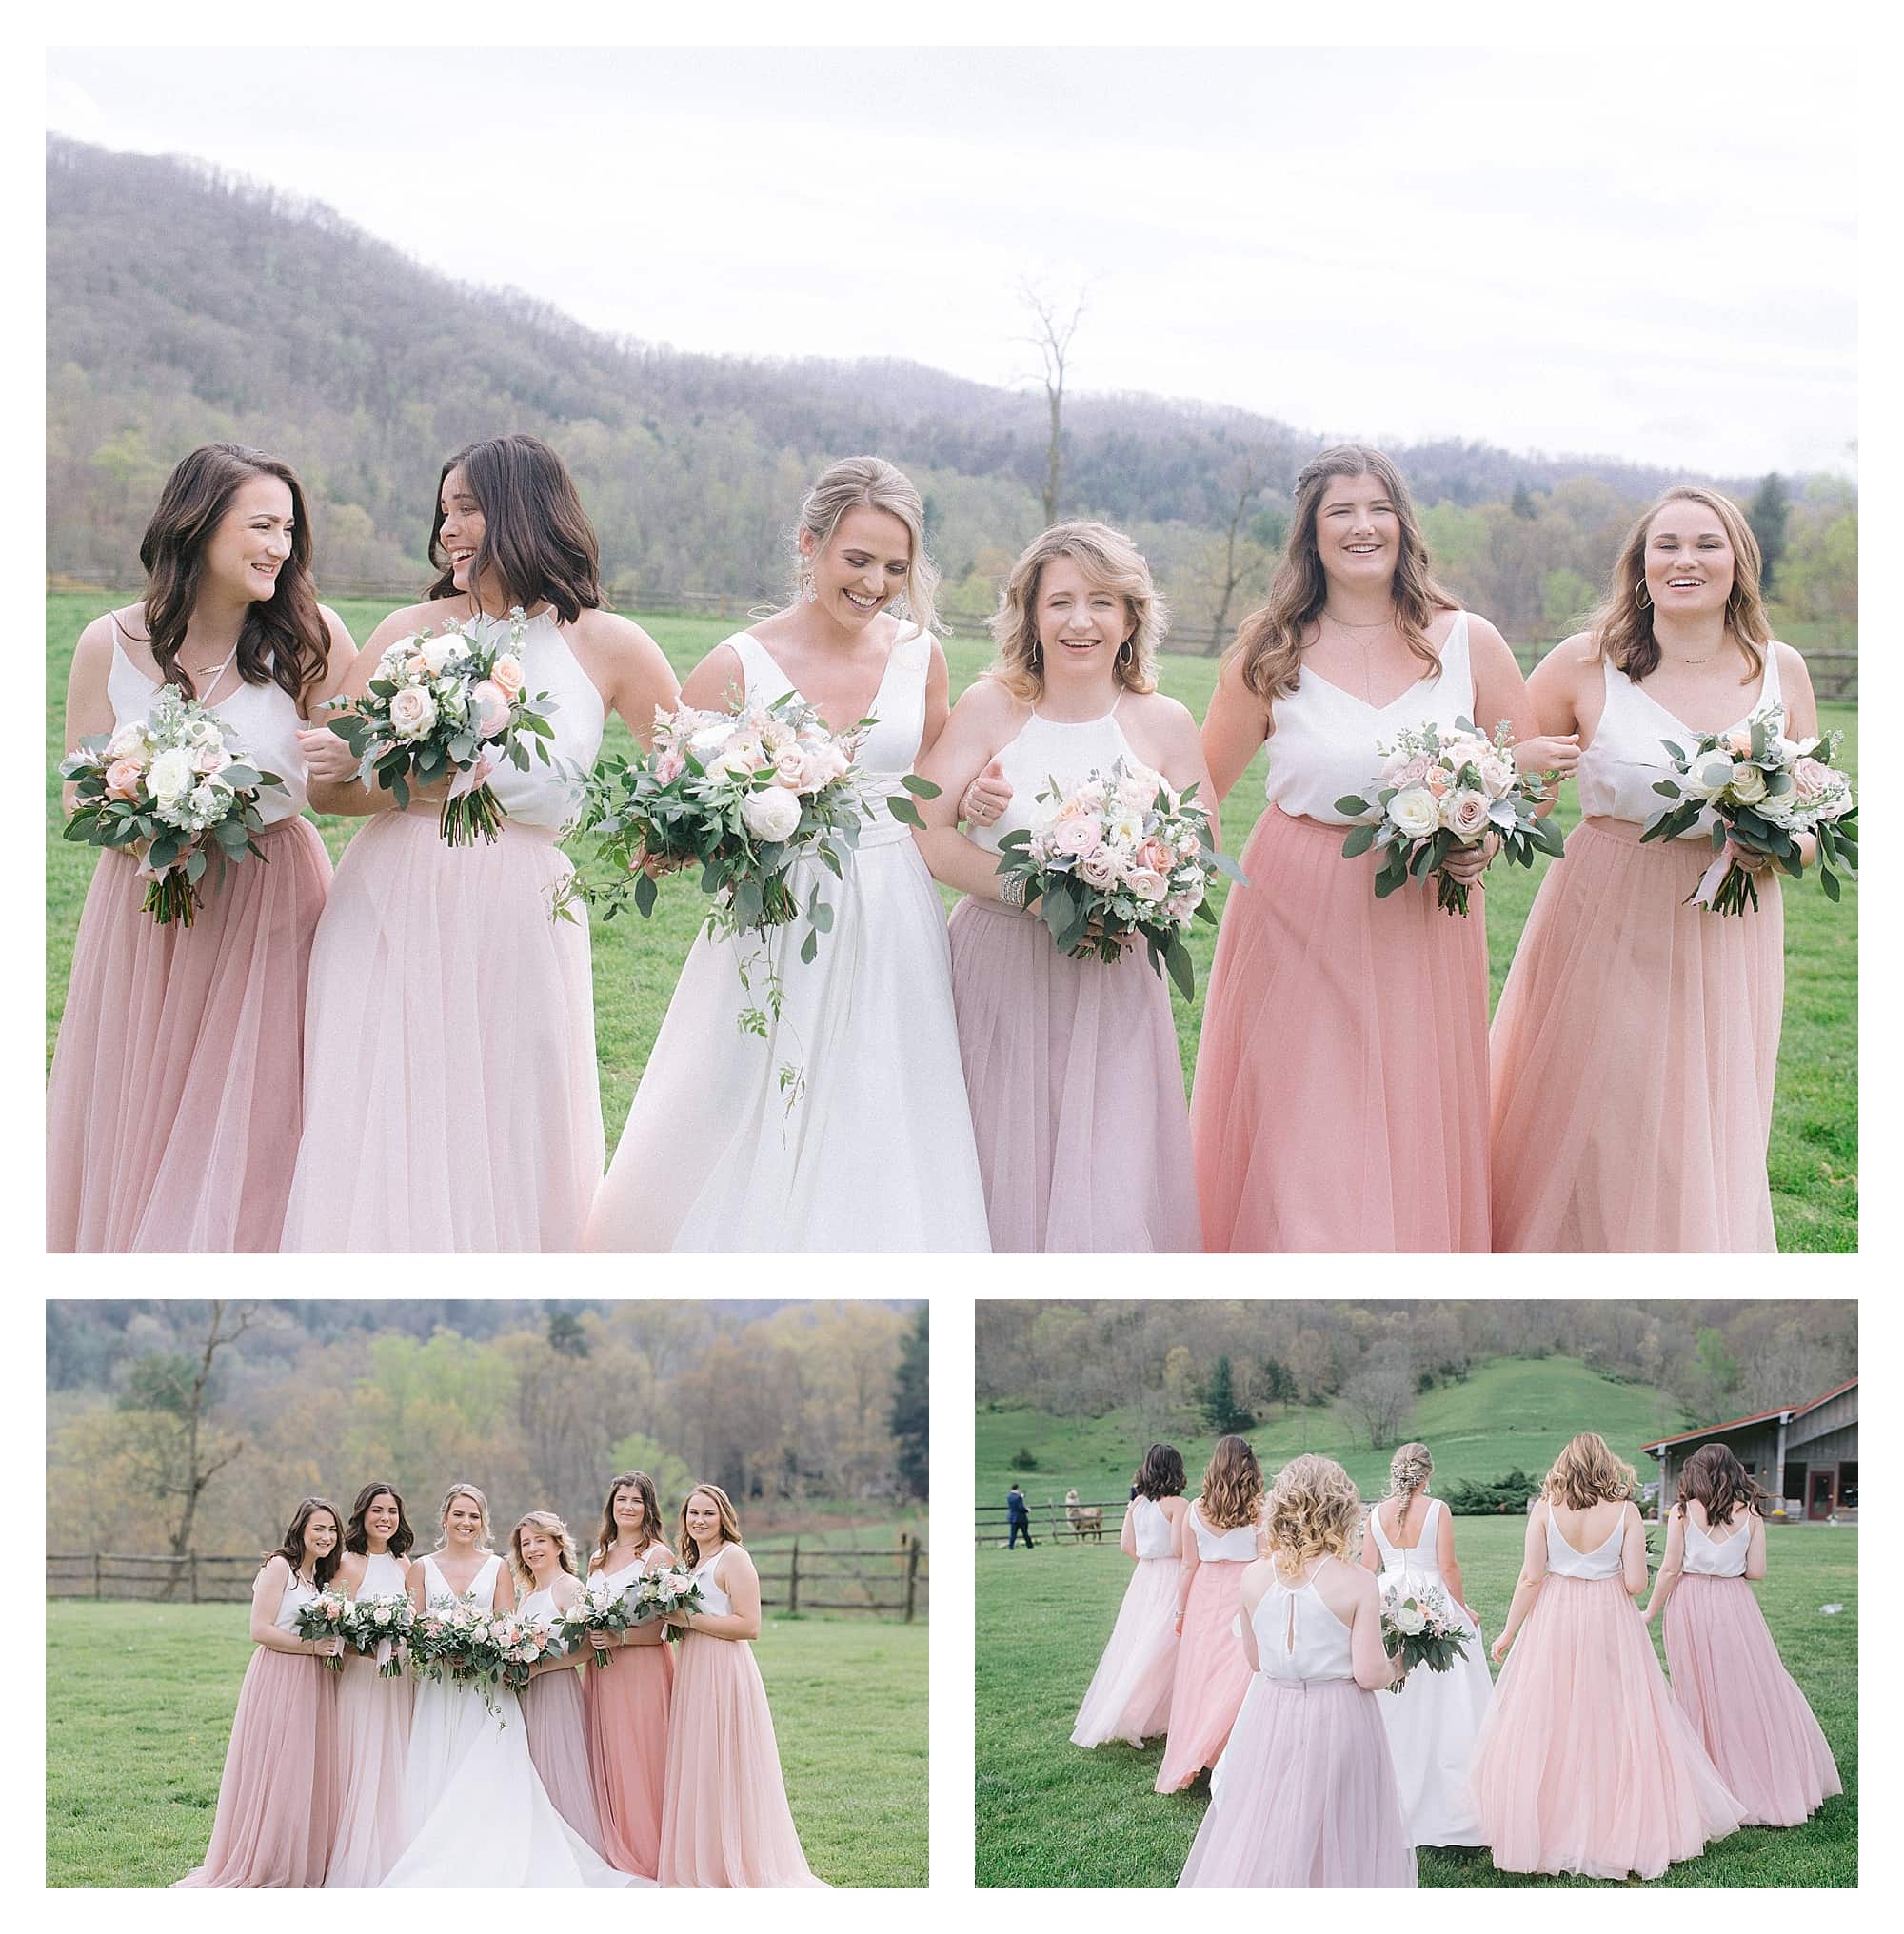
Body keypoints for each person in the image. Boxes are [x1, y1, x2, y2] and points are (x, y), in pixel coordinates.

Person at [585, 455, 991, 1252]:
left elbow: (932, 790)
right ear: (809, 545)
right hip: (778, 909)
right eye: (858, 559)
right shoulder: (738, 665)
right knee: (744, 1083)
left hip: (895, 910)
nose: (876, 583)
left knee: (881, 1090)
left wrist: (975, 801)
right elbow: (669, 802)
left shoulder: (922, 656)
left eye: (896, 567)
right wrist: (692, 834)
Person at [287, 433, 679, 1251]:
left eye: (467, 508)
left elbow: (682, 770)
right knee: (387, 1108)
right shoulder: (407, 628)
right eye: (445, 512)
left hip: (522, 907)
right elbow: (334, 791)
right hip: (393, 894)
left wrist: (664, 836)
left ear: (524, 512)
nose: (449, 530)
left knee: (511, 1110)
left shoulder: (609, 645)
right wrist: (389, 773)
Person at [1190, 444, 1575, 1251]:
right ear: (1311, 535)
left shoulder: (1469, 640)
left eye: (1378, 508)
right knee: (1307, 1107)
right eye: (1341, 511)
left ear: (1403, 524)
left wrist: (1481, 844)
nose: (1363, 526)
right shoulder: (1270, 647)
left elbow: (1528, 773)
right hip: (1295, 902)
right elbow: (1197, 792)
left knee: (1406, 1101)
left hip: (1422, 907)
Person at [1490, 486, 1819, 1251]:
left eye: (1707, 543)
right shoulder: (1586, 662)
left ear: (1739, 562)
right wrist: (1509, 780)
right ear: (1639, 566)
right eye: (1665, 545)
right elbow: (1513, 790)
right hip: (1607, 911)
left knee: (1700, 1115)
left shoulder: (1782, 671)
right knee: (1605, 1108)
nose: (1685, 560)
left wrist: (1779, 846)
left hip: (1732, 923)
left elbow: (1815, 817)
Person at [50, 444, 356, 1251]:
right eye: (261, 526)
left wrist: (351, 763)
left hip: (268, 898)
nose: (280, 548)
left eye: (289, 530)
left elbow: (344, 784)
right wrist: (147, 800)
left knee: (254, 1109)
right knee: (137, 1097)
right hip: (145, 901)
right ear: (199, 526)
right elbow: (78, 793)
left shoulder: (313, 639)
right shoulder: (105, 642)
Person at [914, 522, 1206, 1251]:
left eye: (1103, 602)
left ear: (1132, 617)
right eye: (1062, 602)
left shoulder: (1165, 722)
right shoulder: (991, 707)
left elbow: (1199, 849)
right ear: (1031, 615)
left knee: (1108, 1173)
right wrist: (1037, 897)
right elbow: (929, 835)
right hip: (1000, 970)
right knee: (992, 1159)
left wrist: (1145, 884)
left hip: (1114, 979)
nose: (1081, 621)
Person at [1471, 1433, 1744, 1880]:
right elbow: (1636, 1583)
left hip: (1554, 1617)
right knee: (1617, 1714)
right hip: (1607, 1616)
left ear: (1565, 1465)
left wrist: (1507, 1633)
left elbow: (1530, 1577)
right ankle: (1611, 1817)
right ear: (1606, 1467)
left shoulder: (1543, 1510)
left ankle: (1550, 1821)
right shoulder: (1626, 1512)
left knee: (1550, 1714)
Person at [383, 1483, 638, 1887]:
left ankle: (492, 1850)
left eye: (474, 1516)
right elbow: (411, 1630)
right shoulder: (421, 1568)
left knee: (492, 1766)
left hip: (488, 1688)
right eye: (459, 1514)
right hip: (440, 1684)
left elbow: (506, 1629)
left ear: (483, 1522)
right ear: (444, 1518)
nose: (466, 1522)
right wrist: (436, 1647)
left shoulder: (497, 1567)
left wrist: (483, 1648)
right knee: (439, 1762)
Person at [1179, 1455, 1413, 1887]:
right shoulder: (1357, 1580)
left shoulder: (1251, 1578)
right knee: (1341, 1823)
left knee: (1272, 1818)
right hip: (1340, 1716)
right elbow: (1368, 1673)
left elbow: (1254, 1662)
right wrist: (1400, 1664)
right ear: (1340, 1511)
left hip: (1270, 1713)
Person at [1644, 1443, 1841, 1825]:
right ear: (1734, 1472)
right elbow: (1757, 1572)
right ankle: (1755, 1776)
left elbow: (1669, 1569)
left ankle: (1710, 1780)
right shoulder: (1750, 1514)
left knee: (1696, 1688)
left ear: (1696, 1472)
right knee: (1747, 1687)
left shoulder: (1683, 1512)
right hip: (1736, 1604)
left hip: (1690, 1602)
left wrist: (1650, 1612)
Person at [657, 1485, 826, 1885]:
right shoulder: (693, 1562)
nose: (699, 1520)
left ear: (724, 1518)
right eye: (692, 1513)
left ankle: (738, 1857)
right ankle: (706, 1857)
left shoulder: (735, 1558)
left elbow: (749, 1625)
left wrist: (688, 1620)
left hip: (724, 1669)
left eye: (708, 1514)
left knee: (725, 1762)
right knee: (701, 1763)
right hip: (694, 1666)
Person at [176, 1496, 346, 1886]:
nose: (326, 1536)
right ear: (300, 1529)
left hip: (314, 1681)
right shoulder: (280, 1567)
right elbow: (260, 1629)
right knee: (276, 1769)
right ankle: (262, 1861)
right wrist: (312, 1648)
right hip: (280, 1676)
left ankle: (294, 1857)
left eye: (332, 1529)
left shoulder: (317, 1578)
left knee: (302, 1772)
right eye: (318, 1528)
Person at [1358, 1442, 1491, 1847]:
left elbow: (1366, 1569)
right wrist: (1463, 1609)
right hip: (1432, 1600)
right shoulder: (1437, 1510)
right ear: (1427, 1475)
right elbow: (1448, 1566)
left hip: (1387, 1599)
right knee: (1448, 1699)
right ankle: (1447, 1789)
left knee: (1393, 1696)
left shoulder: (1375, 1515)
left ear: (1394, 1472)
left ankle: (1389, 1782)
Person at [1155, 1434, 1263, 1792]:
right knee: (1241, 1677)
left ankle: (1203, 1754)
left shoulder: (1195, 1510)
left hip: (1205, 1595)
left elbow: (1188, 1566)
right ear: (1249, 1466)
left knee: (1202, 1677)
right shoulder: (1259, 1509)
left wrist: (1180, 1611)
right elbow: (1266, 1563)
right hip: (1245, 1592)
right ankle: (1227, 1753)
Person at [582, 1471, 675, 1879]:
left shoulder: (657, 1557)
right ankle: (614, 1842)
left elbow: (663, 1627)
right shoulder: (598, 1557)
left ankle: (651, 1850)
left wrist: (619, 1637)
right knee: (608, 1755)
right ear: (611, 1506)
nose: (628, 1507)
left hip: (641, 1668)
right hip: (602, 1672)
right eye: (621, 1500)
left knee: (644, 1756)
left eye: (636, 1501)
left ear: (648, 1508)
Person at [326, 1482, 415, 1886]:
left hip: (400, 1680)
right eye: (377, 1510)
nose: (385, 1518)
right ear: (362, 1514)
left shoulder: (406, 1566)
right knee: (359, 1757)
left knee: (396, 1759)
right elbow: (330, 1629)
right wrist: (365, 1650)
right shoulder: (348, 1562)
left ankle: (392, 1848)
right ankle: (354, 1853)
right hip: (362, 1679)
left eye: (392, 1511)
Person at [511, 1511, 614, 1860]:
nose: (532, 1549)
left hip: (556, 1691)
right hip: (526, 1695)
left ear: (558, 1544)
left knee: (560, 1767)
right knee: (534, 1771)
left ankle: (572, 1854)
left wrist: (540, 1669)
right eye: (526, 1543)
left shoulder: (569, 1587)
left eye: (540, 1540)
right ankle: (541, 1851)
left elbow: (588, 1647)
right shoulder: (526, 1595)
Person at [1071, 1443, 1188, 1748]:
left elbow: (1126, 1546)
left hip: (1144, 1576)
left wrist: (1148, 1563)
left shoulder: (1136, 1505)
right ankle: (1150, 1711)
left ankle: (1145, 1712)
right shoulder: (1178, 1505)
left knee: (1139, 1641)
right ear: (1176, 1470)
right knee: (1163, 1644)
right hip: (1171, 1574)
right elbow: (1179, 1549)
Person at [1007, 1483, 1034, 1549]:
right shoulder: (1018, 1497)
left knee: (1013, 1534)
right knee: (1025, 1533)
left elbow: (1015, 1503)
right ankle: (1030, 1545)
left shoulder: (1009, 1497)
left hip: (1013, 1518)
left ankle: (1011, 1546)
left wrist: (1021, 1497)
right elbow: (1020, 1507)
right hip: (1021, 1518)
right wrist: (1027, 1510)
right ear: (1017, 1488)